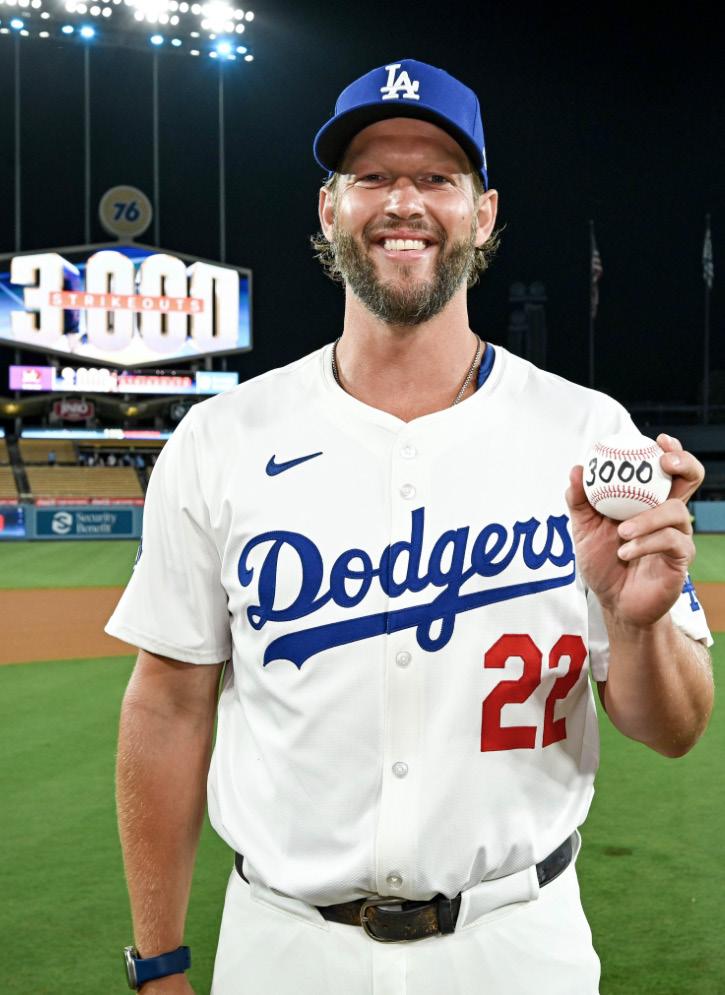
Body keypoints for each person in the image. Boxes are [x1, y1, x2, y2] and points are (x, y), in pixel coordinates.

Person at [105, 59, 714, 995]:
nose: (403, 202)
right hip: (282, 949)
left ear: (482, 212)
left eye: (436, 177)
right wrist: (157, 961)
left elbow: (673, 730)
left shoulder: (590, 435)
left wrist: (637, 625)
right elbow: (168, 704)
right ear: (328, 209)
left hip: (518, 943)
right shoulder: (223, 437)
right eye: (372, 176)